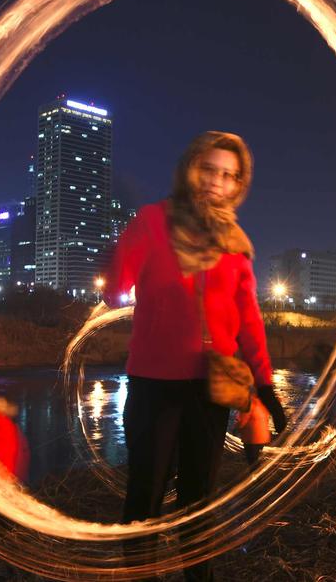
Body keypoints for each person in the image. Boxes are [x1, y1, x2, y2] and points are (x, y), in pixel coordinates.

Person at [106, 131, 283, 582]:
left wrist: (264, 384)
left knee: (198, 499)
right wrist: (124, 259)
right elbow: (113, 289)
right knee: (145, 496)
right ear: (191, 169)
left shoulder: (236, 245)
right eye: (209, 170)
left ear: (237, 184)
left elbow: (248, 320)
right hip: (154, 385)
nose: (215, 182)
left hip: (210, 388)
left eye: (227, 175)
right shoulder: (153, 221)